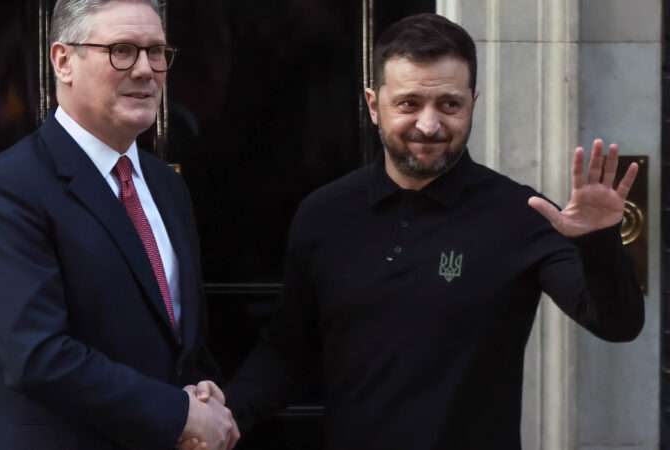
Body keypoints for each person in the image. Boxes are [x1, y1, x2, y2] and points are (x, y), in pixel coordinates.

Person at [189, 12, 644, 450]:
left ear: (473, 103)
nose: (429, 125)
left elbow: (618, 324)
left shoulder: (521, 214)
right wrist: (224, 414)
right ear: (374, 105)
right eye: (409, 104)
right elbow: (287, 352)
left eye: (450, 104)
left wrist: (598, 241)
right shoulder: (324, 214)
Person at [0, 1, 238, 449]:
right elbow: (38, 355)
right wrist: (179, 414)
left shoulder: (166, 186)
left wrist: (204, 393)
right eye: (121, 51)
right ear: (63, 61)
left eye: (156, 51)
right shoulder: (8, 188)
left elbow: (176, 339)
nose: (145, 70)